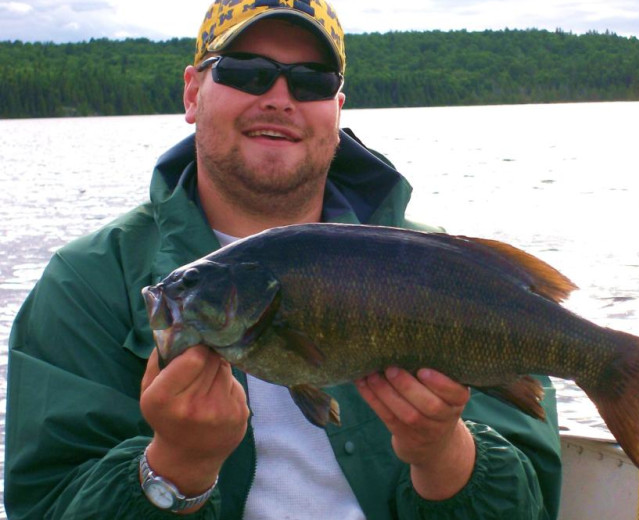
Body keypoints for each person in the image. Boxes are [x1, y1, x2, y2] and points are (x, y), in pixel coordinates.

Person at [4, 1, 562, 518]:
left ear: (336, 109)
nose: (279, 97)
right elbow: (44, 502)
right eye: (245, 71)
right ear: (193, 92)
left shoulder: (444, 267)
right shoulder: (87, 284)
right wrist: (176, 466)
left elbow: (535, 503)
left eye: (311, 81)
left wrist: (443, 451)